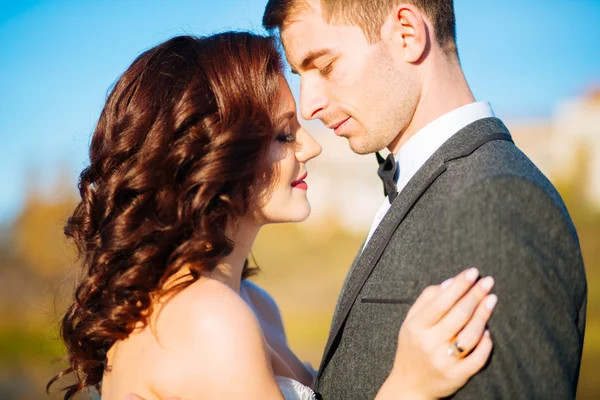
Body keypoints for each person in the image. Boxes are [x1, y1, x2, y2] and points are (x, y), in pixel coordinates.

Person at [47, 33, 497, 400]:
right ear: (214, 155)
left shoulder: (253, 303)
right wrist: (409, 387)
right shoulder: (206, 318)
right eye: (285, 135)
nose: (313, 147)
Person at [261, 0, 587, 398]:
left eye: (325, 66)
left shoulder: (496, 202)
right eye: (300, 75)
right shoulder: (422, 185)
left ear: (407, 34)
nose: (308, 105)